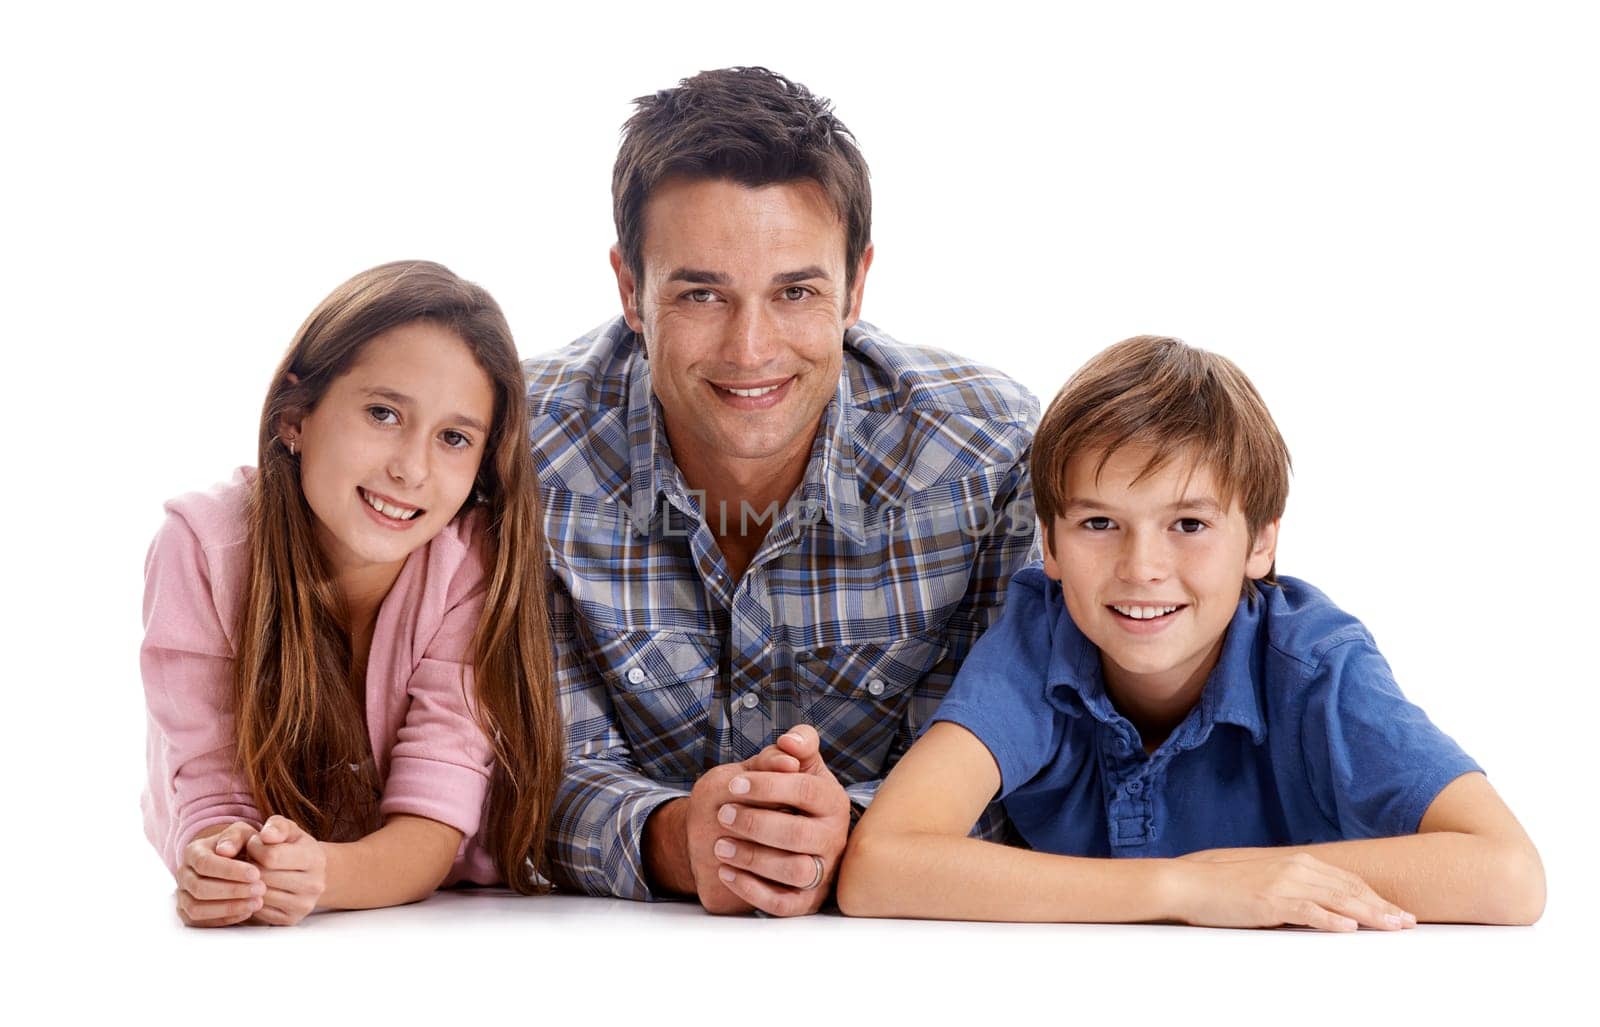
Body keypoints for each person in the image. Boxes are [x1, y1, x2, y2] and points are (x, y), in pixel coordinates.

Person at [524, 67, 1039, 916]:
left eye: (796, 291)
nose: (750, 348)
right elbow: (506, 762)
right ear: (630, 290)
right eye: (700, 293)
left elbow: (1037, 755)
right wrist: (673, 837)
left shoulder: (990, 457)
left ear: (857, 284)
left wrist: (866, 831)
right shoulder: (518, 447)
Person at [837, 335, 1546, 928]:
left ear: (1261, 543)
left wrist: (1252, 877)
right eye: (1099, 523)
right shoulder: (1039, 638)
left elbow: (1508, 872)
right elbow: (880, 864)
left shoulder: (1314, 664)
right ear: (1048, 544)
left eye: (1190, 524)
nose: (1142, 567)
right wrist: (1187, 887)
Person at [142, 260, 563, 926]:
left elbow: (431, 826)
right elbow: (209, 783)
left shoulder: (466, 563)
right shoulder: (201, 547)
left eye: (454, 437)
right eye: (384, 412)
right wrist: (223, 860)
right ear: (294, 416)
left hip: (447, 911)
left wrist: (320, 875)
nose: (411, 467)